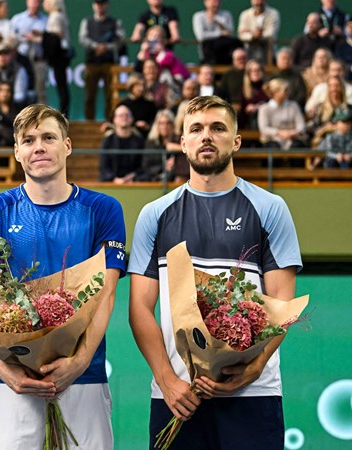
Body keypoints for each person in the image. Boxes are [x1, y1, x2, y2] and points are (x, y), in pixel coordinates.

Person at [128, 94, 302, 450]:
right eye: (196, 129)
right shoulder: (155, 214)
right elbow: (140, 308)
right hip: (177, 397)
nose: (206, 136)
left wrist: (254, 368)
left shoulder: (270, 208)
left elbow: (282, 302)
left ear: (236, 140)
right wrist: (166, 380)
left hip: (254, 393)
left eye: (217, 128)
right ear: (182, 142)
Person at [0, 103, 126, 449]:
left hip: (84, 377)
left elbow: (107, 294)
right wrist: (4, 368)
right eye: (28, 140)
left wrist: (80, 361)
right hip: (11, 380)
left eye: (49, 137)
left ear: (67, 146)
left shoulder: (103, 209)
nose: (38, 146)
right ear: (17, 151)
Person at [79, 0, 125, 121]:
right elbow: (83, 38)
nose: (100, 7)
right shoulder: (87, 22)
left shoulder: (115, 22)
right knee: (89, 94)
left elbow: (120, 40)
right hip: (92, 63)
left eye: (102, 4)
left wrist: (106, 47)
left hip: (109, 63)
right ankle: (89, 121)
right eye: (97, 4)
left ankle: (110, 120)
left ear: (107, 5)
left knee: (110, 94)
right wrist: (96, 46)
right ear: (93, 6)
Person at [10, 0, 48, 104]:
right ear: (27, 2)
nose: (35, 4)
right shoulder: (17, 19)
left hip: (38, 59)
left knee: (39, 91)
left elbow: (50, 40)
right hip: (20, 59)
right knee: (19, 89)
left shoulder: (46, 20)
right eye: (32, 1)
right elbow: (11, 39)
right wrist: (24, 38)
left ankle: (41, 118)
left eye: (37, 2)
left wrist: (37, 38)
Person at [99, 104, 146, 183]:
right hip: (112, 183)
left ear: (132, 119)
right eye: (121, 115)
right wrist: (114, 179)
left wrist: (134, 176)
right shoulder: (108, 141)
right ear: (114, 119)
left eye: (127, 115)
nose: (124, 118)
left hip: (135, 182)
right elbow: (104, 166)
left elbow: (143, 165)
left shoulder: (139, 141)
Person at [257, 78, 307, 150]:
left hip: (293, 139)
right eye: (285, 90)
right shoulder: (264, 108)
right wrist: (279, 133)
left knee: (297, 146)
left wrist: (291, 133)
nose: (287, 92)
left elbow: (301, 126)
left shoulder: (294, 106)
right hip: (272, 140)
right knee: (272, 147)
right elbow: (264, 128)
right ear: (275, 92)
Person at [42, 0, 71, 117]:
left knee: (62, 86)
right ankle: (64, 112)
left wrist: (43, 37)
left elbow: (57, 35)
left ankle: (64, 113)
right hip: (60, 57)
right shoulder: (59, 15)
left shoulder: (55, 17)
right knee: (62, 85)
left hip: (59, 57)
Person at [192, 0, 241, 65]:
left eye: (218, 1)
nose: (216, 4)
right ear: (205, 3)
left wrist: (217, 22)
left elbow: (230, 33)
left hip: (226, 54)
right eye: (213, 1)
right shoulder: (198, 16)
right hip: (209, 54)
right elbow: (201, 36)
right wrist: (220, 33)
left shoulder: (226, 15)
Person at [237, 0, 281, 64]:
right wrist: (252, 35)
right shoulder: (245, 14)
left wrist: (250, 32)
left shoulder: (273, 14)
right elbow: (241, 35)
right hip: (249, 54)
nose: (258, 2)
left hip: (268, 53)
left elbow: (271, 33)